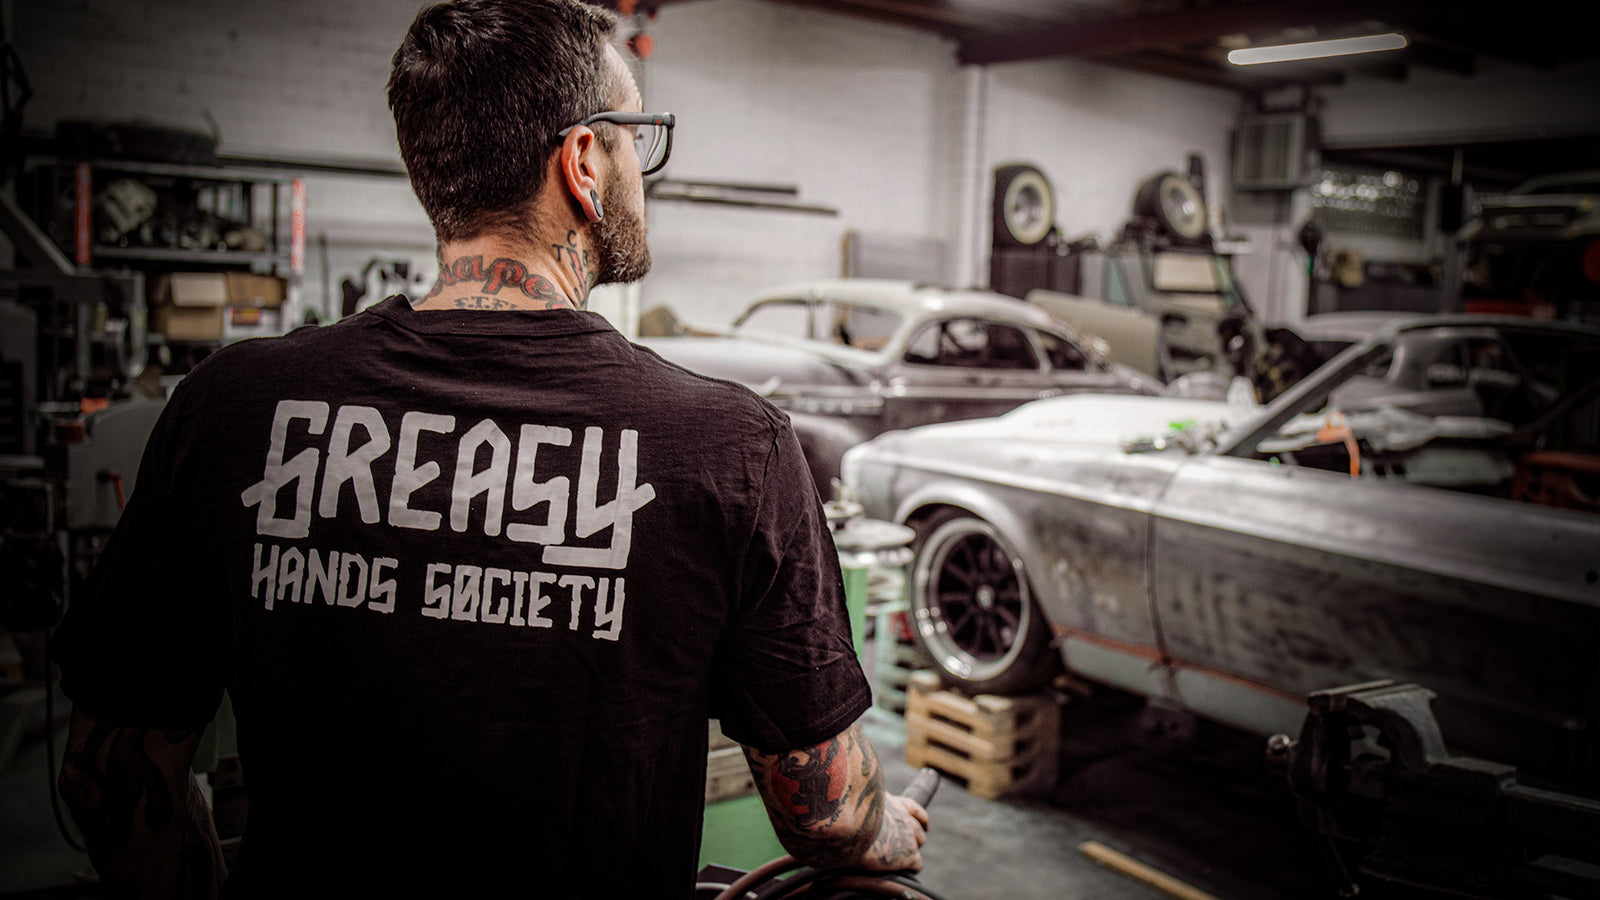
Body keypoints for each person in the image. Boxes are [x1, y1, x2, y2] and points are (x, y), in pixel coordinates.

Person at [50, 1, 927, 896]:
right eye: (635, 138)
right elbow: (823, 810)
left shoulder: (229, 409)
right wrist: (883, 826)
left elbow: (110, 771)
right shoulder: (730, 445)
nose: (641, 172)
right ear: (584, 160)